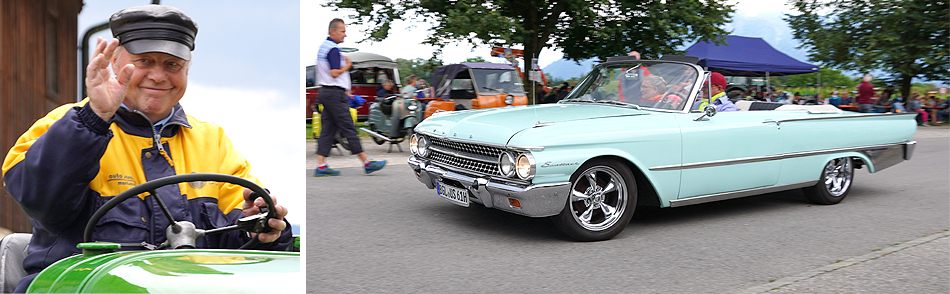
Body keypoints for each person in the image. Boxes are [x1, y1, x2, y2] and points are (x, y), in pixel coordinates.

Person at [1, 5, 293, 292]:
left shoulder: (212, 141)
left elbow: (247, 244)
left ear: (187, 68)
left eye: (172, 64)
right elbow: (40, 201)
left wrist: (264, 226)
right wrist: (95, 119)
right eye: (144, 61)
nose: (158, 75)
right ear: (115, 62)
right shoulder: (66, 124)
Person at [314, 18, 386, 176]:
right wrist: (347, 66)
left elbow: (328, 76)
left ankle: (321, 166)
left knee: (328, 129)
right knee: (349, 127)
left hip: (327, 92)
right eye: (342, 31)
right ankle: (367, 162)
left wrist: (347, 93)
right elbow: (333, 73)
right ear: (332, 31)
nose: (345, 35)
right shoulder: (332, 49)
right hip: (333, 93)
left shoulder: (324, 47)